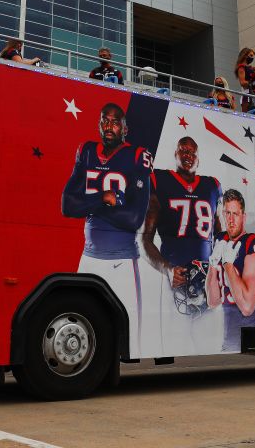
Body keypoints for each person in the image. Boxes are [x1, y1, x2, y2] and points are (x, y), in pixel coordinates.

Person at [61, 103, 154, 354]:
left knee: (132, 336)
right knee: (82, 325)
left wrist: (88, 206)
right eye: (104, 121)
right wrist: (103, 199)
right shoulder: (87, 151)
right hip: (88, 258)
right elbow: (68, 205)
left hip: (123, 262)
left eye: (114, 122)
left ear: (125, 128)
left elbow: (134, 218)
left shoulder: (137, 155)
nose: (108, 126)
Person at [141, 137, 223, 353]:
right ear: (175, 154)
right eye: (183, 151)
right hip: (176, 283)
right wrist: (167, 269)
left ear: (198, 158)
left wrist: (221, 269)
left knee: (211, 348)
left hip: (207, 281)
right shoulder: (160, 180)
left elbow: (221, 235)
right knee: (174, 345)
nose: (187, 155)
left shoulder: (212, 185)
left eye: (192, 152)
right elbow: (146, 240)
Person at [207, 189, 255, 352]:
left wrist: (227, 264)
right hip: (227, 334)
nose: (231, 220)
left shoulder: (253, 243)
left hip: (247, 333)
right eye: (227, 213)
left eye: (235, 214)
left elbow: (247, 307)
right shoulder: (220, 239)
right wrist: (213, 267)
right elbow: (213, 301)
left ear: (244, 216)